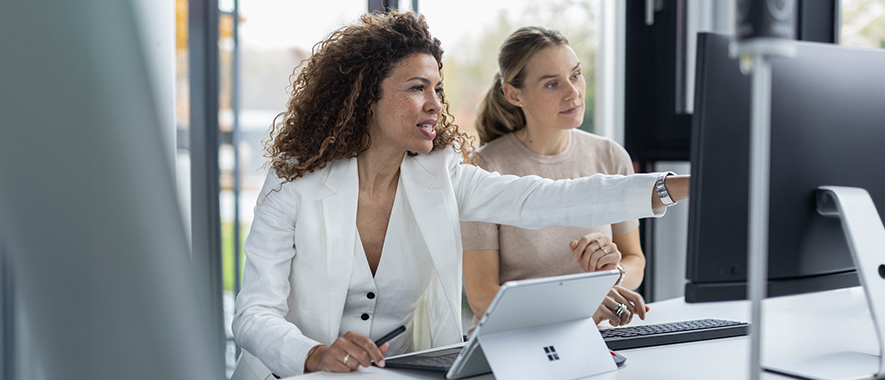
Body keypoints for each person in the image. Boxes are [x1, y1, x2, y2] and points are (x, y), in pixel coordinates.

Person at [230, 11, 690, 379]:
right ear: (364, 97)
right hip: (290, 375)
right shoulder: (294, 180)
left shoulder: (441, 174)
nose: (435, 104)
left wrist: (680, 186)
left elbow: (547, 199)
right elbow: (253, 314)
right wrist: (314, 354)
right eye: (416, 88)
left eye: (438, 89)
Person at [462, 26, 646, 332]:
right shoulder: (484, 167)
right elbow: (483, 297)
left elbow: (634, 258)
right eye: (551, 85)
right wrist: (579, 305)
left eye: (575, 75)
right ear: (513, 94)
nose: (573, 92)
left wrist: (610, 278)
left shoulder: (610, 156)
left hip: (593, 338)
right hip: (512, 340)